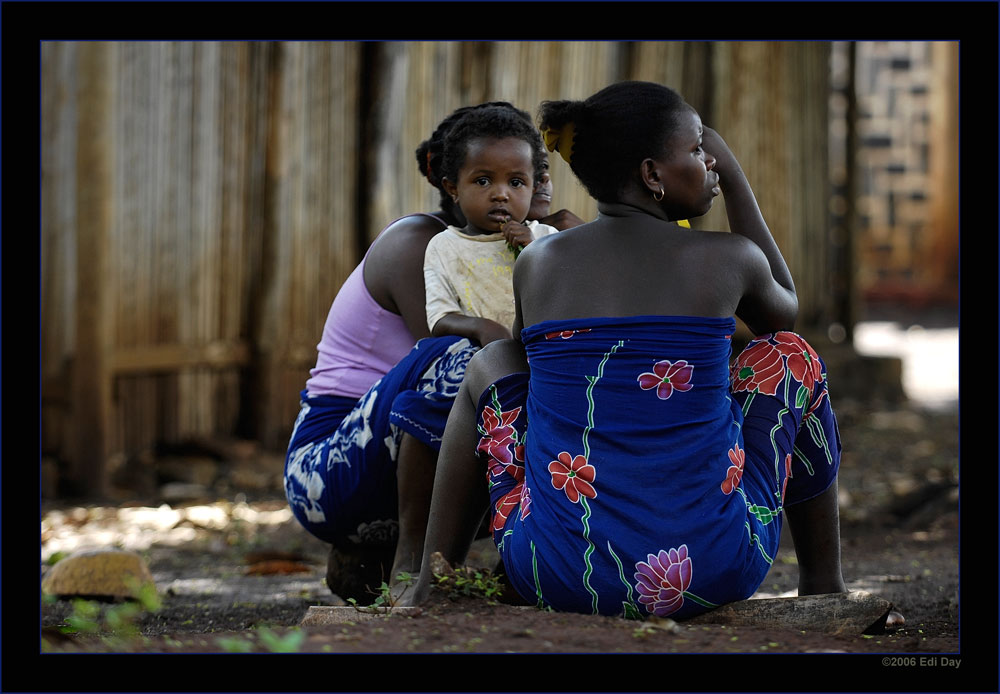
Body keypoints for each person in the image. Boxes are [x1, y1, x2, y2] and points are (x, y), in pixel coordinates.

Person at [403, 81, 848, 620]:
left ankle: (433, 577)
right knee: (789, 354)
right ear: (652, 174)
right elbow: (784, 315)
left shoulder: (539, 263)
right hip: (713, 567)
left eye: (711, 158)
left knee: (492, 363)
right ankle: (824, 585)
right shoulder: (730, 256)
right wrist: (733, 177)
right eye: (697, 152)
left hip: (559, 570)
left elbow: (523, 363)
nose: (708, 163)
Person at [283, 103, 509, 601]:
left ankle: (514, 564)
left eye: (524, 177)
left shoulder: (524, 247)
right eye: (485, 178)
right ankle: (413, 569)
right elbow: (456, 346)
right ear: (451, 183)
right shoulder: (418, 241)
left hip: (395, 468)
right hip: (326, 469)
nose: (505, 193)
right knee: (465, 356)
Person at [423, 104, 561, 347]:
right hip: (479, 358)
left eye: (516, 182)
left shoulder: (546, 238)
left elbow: (571, 300)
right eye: (483, 180)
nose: (501, 194)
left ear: (534, 187)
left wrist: (534, 252)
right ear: (453, 188)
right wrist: (484, 328)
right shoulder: (444, 247)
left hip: (546, 354)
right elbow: (439, 318)